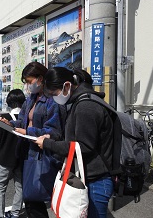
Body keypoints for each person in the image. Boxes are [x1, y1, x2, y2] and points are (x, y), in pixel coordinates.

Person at [35, 67, 114, 218]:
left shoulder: (86, 106)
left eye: (54, 94)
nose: (53, 98)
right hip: (90, 177)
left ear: (67, 85)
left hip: (95, 180)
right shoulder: (80, 102)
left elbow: (83, 147)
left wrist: (48, 144)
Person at [0, 62, 66, 218]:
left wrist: (28, 131)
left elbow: (54, 132)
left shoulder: (53, 100)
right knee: (29, 198)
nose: (28, 86)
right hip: (26, 151)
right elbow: (22, 120)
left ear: (40, 79)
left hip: (41, 154)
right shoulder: (31, 99)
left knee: (34, 197)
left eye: (29, 81)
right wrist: (10, 123)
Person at [0, 89, 25, 218]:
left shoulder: (4, 118)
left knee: (0, 185)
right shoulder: (26, 117)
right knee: (20, 186)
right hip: (21, 158)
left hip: (6, 157)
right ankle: (15, 212)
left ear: (9, 103)